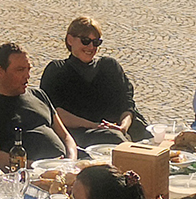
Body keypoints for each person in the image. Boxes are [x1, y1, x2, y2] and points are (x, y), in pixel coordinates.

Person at [39, 16, 149, 146]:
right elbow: (54, 112)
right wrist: (94, 126)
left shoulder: (110, 66)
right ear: (70, 40)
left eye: (96, 42)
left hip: (117, 130)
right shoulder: (57, 70)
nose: (91, 47)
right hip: (78, 134)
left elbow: (127, 103)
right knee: (113, 137)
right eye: (85, 41)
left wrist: (123, 126)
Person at [0, 42, 74, 168]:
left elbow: (65, 136)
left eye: (29, 69)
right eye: (20, 70)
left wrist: (71, 161)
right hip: (30, 173)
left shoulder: (38, 95)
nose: (27, 76)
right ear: (0, 71)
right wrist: (44, 166)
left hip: (65, 167)